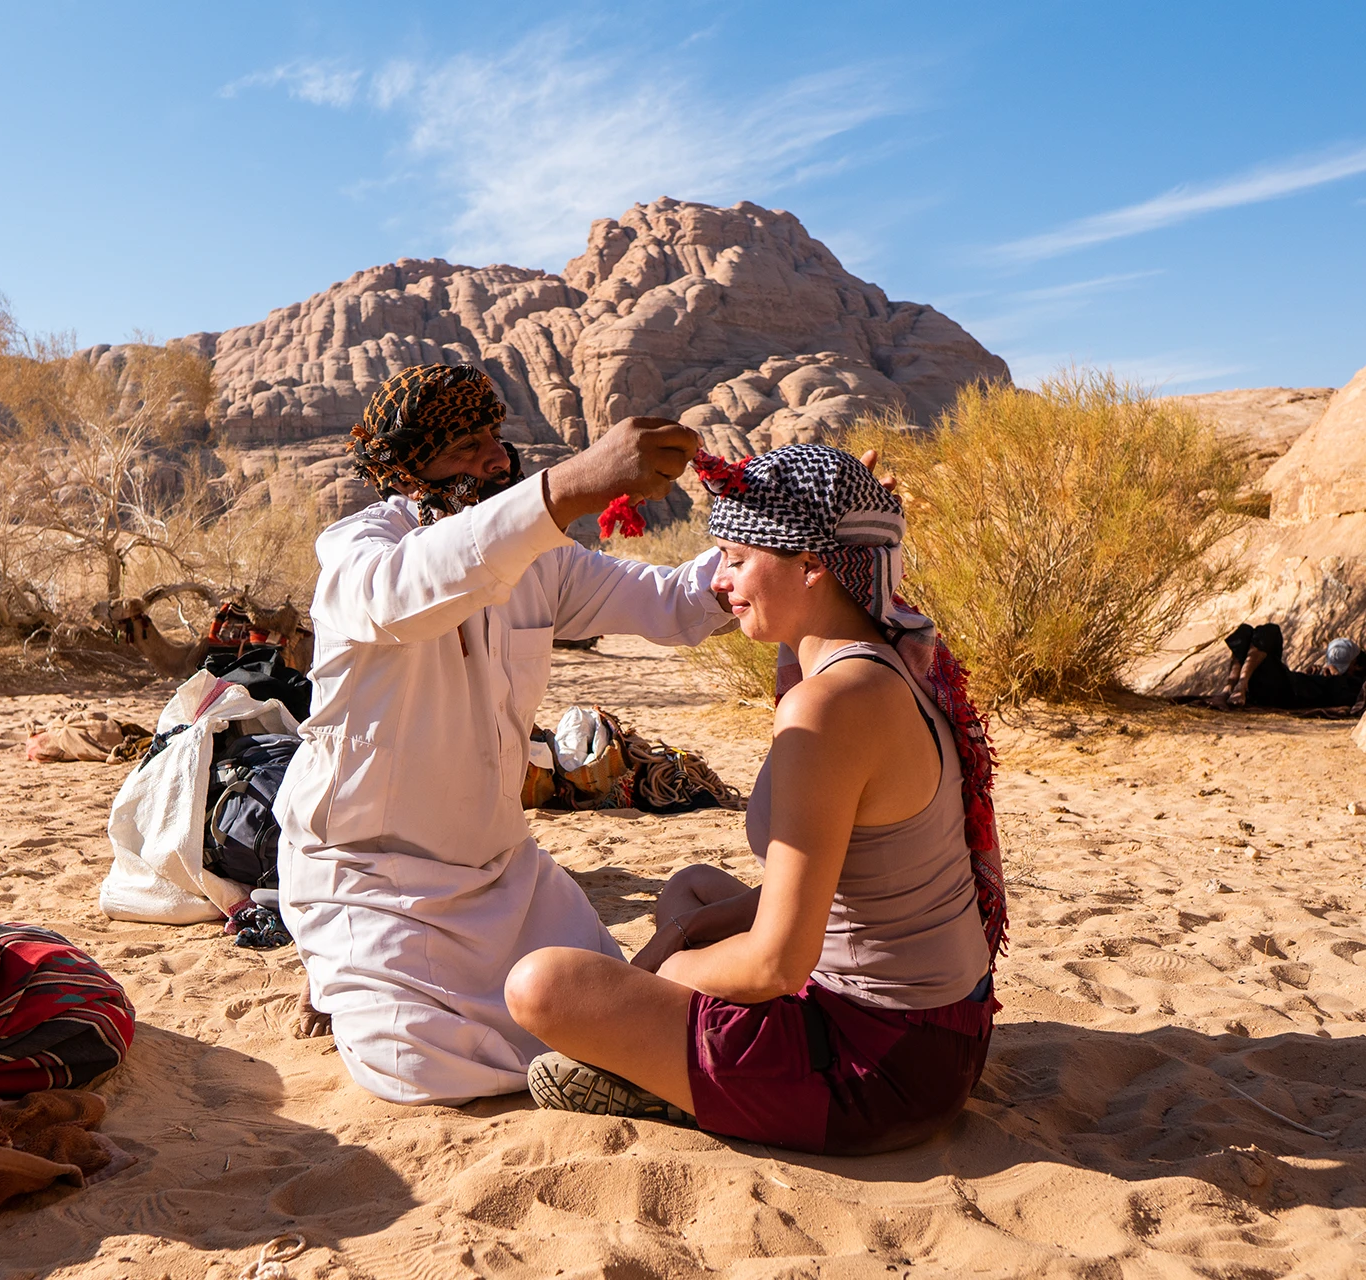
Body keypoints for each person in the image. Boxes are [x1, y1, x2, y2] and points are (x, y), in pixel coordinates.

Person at [504, 444, 1006, 1156]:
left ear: (811, 564)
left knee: (542, 987)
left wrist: (662, 977)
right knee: (692, 891)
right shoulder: (881, 657)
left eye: (737, 557)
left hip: (877, 1070)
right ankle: (681, 1068)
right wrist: (679, 937)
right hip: (937, 1036)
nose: (721, 577)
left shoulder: (828, 710)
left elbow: (777, 967)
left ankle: (676, 1086)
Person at [274, 363, 735, 1106]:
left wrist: (782, 534)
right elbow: (409, 591)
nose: (493, 458)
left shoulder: (542, 562)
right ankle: (345, 973)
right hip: (369, 878)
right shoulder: (358, 550)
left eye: (494, 439)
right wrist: (568, 488)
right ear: (408, 468)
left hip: (503, 876)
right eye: (462, 448)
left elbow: (673, 603)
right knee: (419, 1071)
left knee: (600, 1004)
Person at [1213, 624, 1366, 710]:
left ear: (1357, 666)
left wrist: (1336, 679)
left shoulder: (1352, 685)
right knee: (1245, 631)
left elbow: (1344, 700)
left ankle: (1240, 685)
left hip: (1285, 691)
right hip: (1285, 682)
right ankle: (1229, 688)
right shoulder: (1327, 676)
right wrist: (1310, 675)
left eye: (1341, 667)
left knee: (1271, 631)